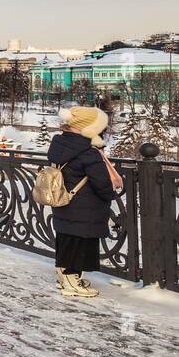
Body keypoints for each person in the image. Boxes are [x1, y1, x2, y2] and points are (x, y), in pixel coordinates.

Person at [47, 106, 122, 298]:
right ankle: (73, 280)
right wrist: (111, 195)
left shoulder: (61, 144)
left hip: (64, 202)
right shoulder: (88, 153)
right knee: (79, 243)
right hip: (84, 207)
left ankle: (63, 276)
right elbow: (102, 184)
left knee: (66, 239)